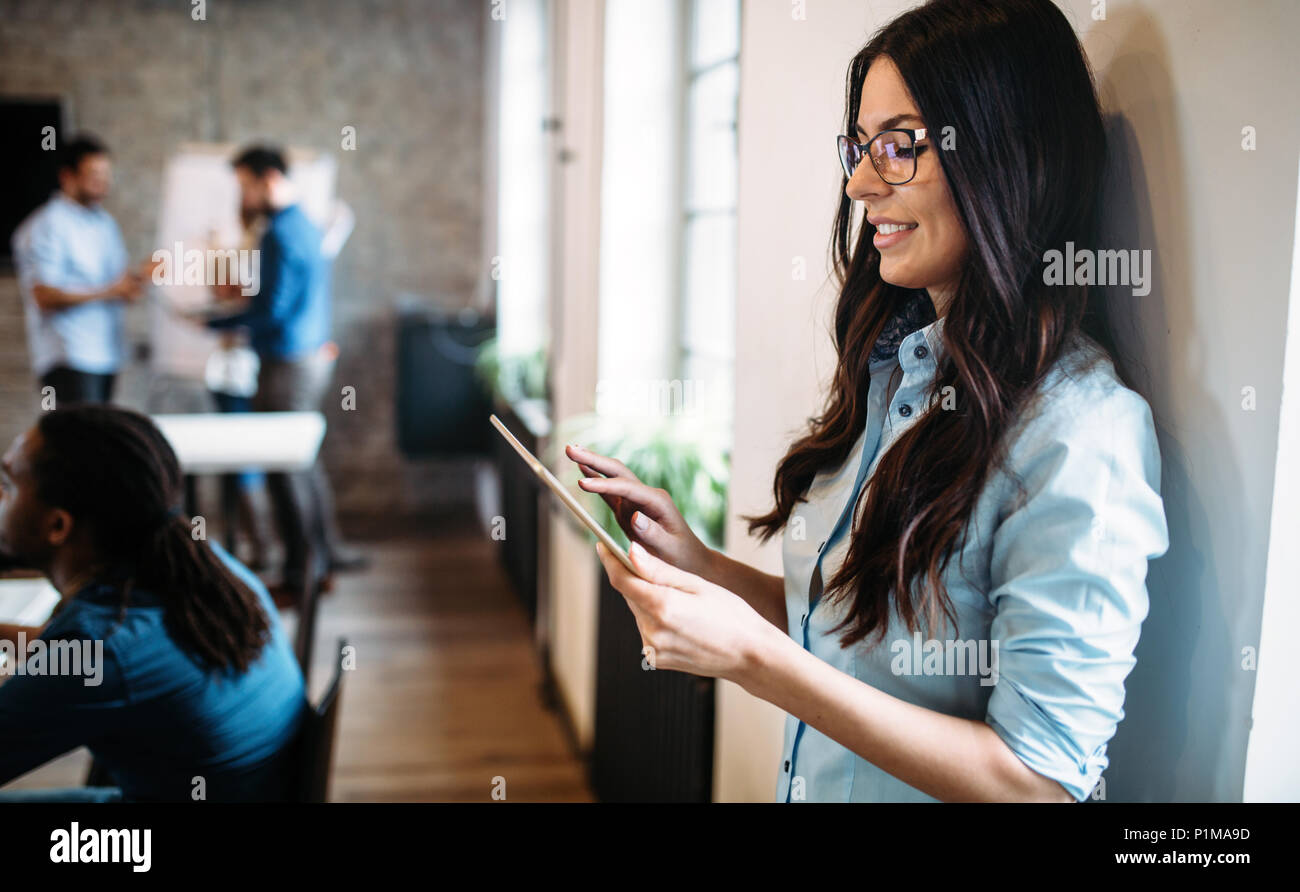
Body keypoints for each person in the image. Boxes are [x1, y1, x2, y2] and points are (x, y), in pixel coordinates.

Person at [570, 0, 1169, 802]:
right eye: (859, 147)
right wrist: (702, 568)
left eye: (898, 146)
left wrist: (754, 661)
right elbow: (846, 638)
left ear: (1006, 152)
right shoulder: (897, 368)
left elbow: (1041, 782)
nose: (857, 183)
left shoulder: (1082, 433)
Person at [0, 405, 306, 802]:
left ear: (57, 525)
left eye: (9, 485)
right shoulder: (200, 565)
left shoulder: (102, 648)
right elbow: (95, 657)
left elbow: (96, 659)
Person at [205, 145, 365, 598]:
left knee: (285, 466)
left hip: (288, 363)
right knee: (301, 463)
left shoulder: (280, 231)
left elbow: (273, 310)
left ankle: (303, 575)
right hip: (302, 359)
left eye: (245, 185)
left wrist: (216, 322)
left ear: (269, 179)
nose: (243, 197)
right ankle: (317, 561)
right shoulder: (302, 224)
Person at [11, 134, 147, 405]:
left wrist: (140, 277)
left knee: (103, 429)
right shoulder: (48, 224)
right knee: (81, 430)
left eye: (106, 174)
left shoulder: (105, 224)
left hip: (106, 353)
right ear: (68, 176)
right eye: (94, 175)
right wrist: (111, 291)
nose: (103, 182)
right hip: (69, 354)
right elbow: (44, 296)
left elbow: (116, 286)